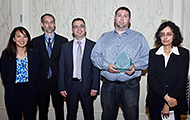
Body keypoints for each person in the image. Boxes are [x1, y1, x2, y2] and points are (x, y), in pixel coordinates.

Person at [91, 6, 150, 120]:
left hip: (130, 85)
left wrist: (135, 66)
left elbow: (147, 57)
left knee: (131, 117)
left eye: (125, 16)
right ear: (114, 18)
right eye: (119, 15)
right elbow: (94, 55)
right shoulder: (104, 37)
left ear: (130, 20)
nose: (122, 19)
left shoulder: (138, 37)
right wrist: (106, 66)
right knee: (107, 117)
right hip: (108, 85)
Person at [58, 18, 100, 120]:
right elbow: (62, 67)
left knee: (89, 114)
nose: (79, 29)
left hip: (87, 85)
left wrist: (95, 87)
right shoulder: (65, 47)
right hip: (70, 85)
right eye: (76, 26)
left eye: (81, 26)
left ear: (85, 29)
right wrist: (61, 87)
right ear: (72, 30)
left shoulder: (93, 46)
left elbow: (96, 68)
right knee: (71, 114)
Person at [146, 21, 189, 120]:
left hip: (175, 100)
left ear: (174, 36)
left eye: (169, 34)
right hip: (156, 99)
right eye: (162, 34)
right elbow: (151, 79)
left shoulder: (183, 54)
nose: (165, 37)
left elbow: (181, 80)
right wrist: (167, 98)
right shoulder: (153, 53)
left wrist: (168, 104)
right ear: (159, 37)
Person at [32, 13, 68, 120]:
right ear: (42, 25)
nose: (49, 25)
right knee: (42, 110)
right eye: (46, 22)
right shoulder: (35, 42)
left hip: (58, 81)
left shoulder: (63, 41)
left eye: (51, 22)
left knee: (59, 109)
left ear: (55, 24)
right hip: (41, 81)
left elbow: (65, 63)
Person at [0, 26, 40, 120]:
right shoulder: (6, 54)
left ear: (28, 38)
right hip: (13, 92)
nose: (22, 39)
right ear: (13, 39)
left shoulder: (34, 53)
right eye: (19, 36)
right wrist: (10, 86)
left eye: (25, 36)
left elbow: (37, 73)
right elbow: (4, 75)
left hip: (30, 92)